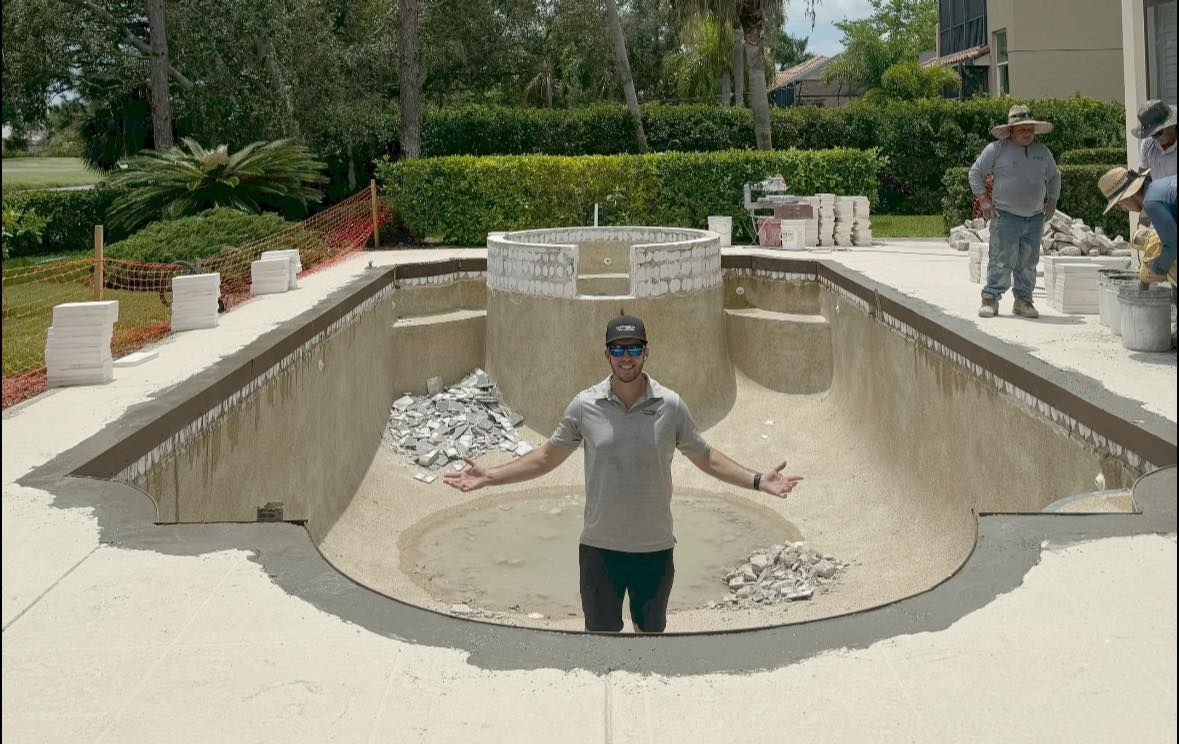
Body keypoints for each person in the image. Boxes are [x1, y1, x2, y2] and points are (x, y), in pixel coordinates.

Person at [443, 314, 804, 634]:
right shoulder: (585, 406)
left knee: (649, 644)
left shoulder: (671, 406)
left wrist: (758, 481)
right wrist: (489, 476)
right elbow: (545, 458)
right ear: (606, 355)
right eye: (618, 350)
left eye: (634, 349)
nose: (626, 357)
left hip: (655, 550)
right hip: (600, 551)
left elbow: (707, 458)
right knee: (602, 647)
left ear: (647, 352)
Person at [969, 105, 1062, 319]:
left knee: (1028, 262)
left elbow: (1054, 176)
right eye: (1022, 130)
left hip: (1035, 216)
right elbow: (975, 172)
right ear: (1011, 130)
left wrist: (1052, 201)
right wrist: (983, 200)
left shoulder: (1042, 152)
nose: (1027, 133)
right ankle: (990, 299)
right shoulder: (997, 149)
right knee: (1002, 259)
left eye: (1030, 129)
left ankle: (1023, 300)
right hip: (1006, 215)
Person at [1099, 166, 1177, 286]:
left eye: (1120, 204)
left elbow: (1172, 244)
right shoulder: (1158, 188)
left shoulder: (1151, 202)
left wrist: (1157, 270)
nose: (1124, 209)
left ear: (1129, 196)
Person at [1134, 99, 1177, 180]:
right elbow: (1142, 176)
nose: (1156, 138)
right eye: (1152, 134)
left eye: (1159, 132)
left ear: (1172, 125)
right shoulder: (1147, 143)